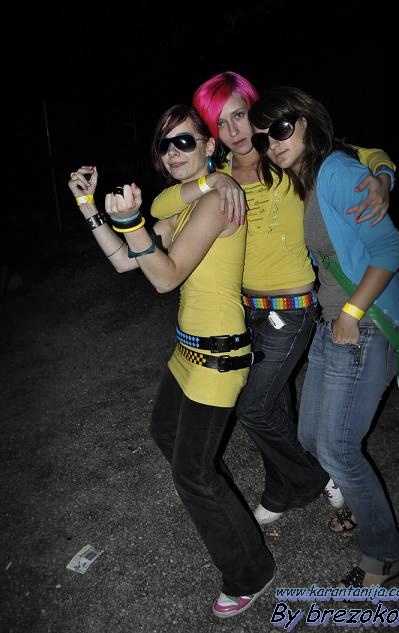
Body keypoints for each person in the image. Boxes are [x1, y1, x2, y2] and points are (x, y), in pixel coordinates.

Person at [150, 71, 396, 525]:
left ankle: (315, 478)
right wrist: (210, 184)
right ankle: (281, 491)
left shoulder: (284, 157)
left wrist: (381, 177)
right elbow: (161, 205)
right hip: (247, 310)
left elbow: (364, 154)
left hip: (292, 309)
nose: (234, 130)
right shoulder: (218, 174)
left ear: (254, 110)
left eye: (239, 115)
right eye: (220, 123)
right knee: (275, 403)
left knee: (255, 406)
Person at [68, 104, 276, 619]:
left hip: (218, 356)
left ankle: (250, 572)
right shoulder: (185, 205)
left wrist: (132, 223)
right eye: (165, 145)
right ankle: (231, 520)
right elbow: (126, 261)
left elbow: (165, 277)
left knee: (193, 472)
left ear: (209, 145)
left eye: (185, 141)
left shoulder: (219, 199)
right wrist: (91, 208)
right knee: (166, 432)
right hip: (187, 352)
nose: (174, 153)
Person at [248, 85, 399, 588]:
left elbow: (389, 250)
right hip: (331, 320)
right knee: (310, 438)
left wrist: (351, 312)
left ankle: (383, 558)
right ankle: (363, 507)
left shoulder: (336, 172)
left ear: (304, 122)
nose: (273, 143)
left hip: (361, 323)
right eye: (264, 137)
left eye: (280, 129)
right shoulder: (304, 176)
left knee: (338, 449)